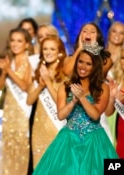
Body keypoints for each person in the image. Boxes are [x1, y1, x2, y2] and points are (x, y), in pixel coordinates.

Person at [32, 43, 118, 175]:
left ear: (94, 66)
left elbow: (95, 115)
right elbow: (61, 115)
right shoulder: (65, 87)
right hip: (68, 140)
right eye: (80, 62)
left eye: (88, 64)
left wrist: (82, 98)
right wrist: (72, 101)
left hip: (94, 141)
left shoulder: (103, 87)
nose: (82, 67)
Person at [62, 22, 114, 142]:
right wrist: (80, 49)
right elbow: (68, 72)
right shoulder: (70, 58)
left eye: (92, 32)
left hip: (96, 111)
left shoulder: (106, 60)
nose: (88, 33)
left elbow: (95, 73)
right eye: (85, 31)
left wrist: (92, 50)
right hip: (74, 119)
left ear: (99, 37)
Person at [0, 27, 34, 175]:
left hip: (24, 113)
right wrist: (4, 71)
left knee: (22, 150)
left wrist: (9, 70)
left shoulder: (31, 62)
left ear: (27, 44)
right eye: (12, 40)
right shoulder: (8, 60)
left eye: (19, 41)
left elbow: (26, 87)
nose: (15, 44)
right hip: (9, 112)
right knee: (8, 148)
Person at [27, 36, 67, 169]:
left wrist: (48, 83)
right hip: (38, 130)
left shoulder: (65, 74)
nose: (48, 52)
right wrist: (40, 85)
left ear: (60, 52)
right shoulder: (40, 71)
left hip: (57, 128)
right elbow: (29, 100)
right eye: (45, 49)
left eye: (52, 49)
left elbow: (62, 103)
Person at [105, 47, 124, 158]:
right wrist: (112, 98)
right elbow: (108, 113)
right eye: (123, 58)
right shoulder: (118, 82)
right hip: (120, 135)